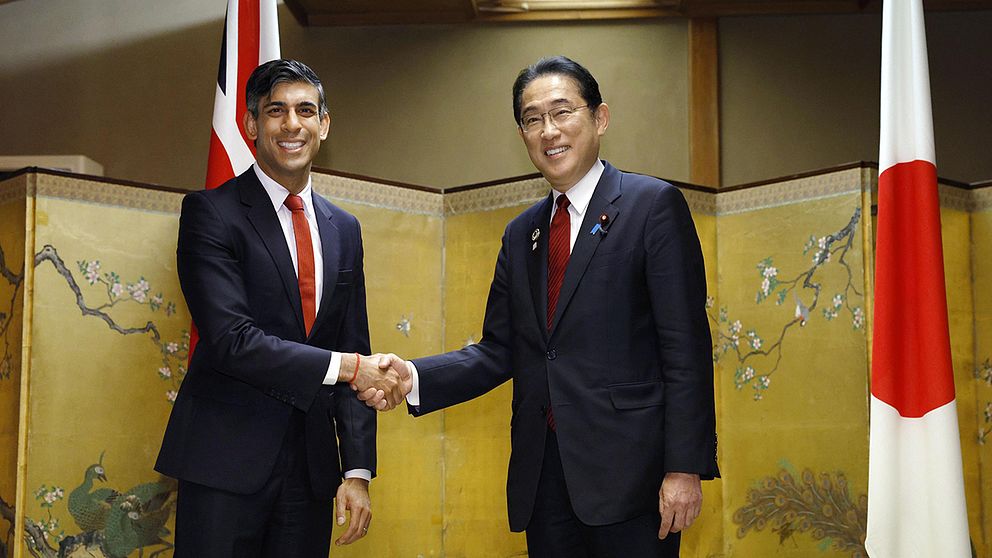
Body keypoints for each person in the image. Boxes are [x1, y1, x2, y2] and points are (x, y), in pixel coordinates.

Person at [363, 56, 719, 557]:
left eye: (562, 112)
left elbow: (685, 347)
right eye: (533, 119)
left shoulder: (651, 206)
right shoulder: (520, 234)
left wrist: (684, 467)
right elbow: (499, 350)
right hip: (544, 479)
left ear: (600, 118)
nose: (549, 130)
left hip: (634, 479)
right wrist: (412, 376)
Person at [155, 59, 402, 558]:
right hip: (223, 462)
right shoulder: (210, 213)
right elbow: (231, 340)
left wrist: (356, 471)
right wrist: (351, 368)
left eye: (306, 110)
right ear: (251, 125)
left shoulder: (345, 229)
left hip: (311, 473)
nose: (293, 124)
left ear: (324, 124)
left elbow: (352, 340)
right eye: (276, 111)